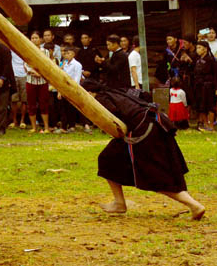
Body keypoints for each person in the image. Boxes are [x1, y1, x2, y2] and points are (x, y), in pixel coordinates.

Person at [84, 78, 205, 220]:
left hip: (145, 130)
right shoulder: (116, 91)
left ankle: (194, 205)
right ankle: (119, 202)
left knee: (156, 175)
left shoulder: (102, 98)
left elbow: (114, 116)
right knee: (108, 157)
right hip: (154, 124)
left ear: (90, 92)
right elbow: (144, 95)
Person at [24, 31, 52, 133]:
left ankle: (46, 127)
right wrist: (33, 72)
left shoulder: (46, 52)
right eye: (32, 38)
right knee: (31, 104)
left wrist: (40, 74)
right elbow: (26, 64)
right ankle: (33, 127)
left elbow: (47, 65)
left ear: (40, 39)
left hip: (42, 81)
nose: (34, 40)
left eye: (36, 38)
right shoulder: (27, 50)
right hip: (30, 81)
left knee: (43, 103)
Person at [54, 45, 85, 132]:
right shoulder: (63, 63)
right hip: (63, 88)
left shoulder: (77, 64)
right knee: (63, 108)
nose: (67, 55)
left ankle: (72, 126)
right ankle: (64, 127)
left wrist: (72, 90)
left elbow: (77, 79)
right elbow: (60, 76)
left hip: (72, 88)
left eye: (69, 53)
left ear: (73, 54)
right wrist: (60, 91)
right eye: (65, 53)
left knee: (71, 108)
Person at [192, 41, 217, 131]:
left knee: (210, 105)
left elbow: (215, 74)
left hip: (208, 85)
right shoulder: (197, 59)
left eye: (199, 48)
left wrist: (216, 87)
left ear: (205, 49)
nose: (197, 50)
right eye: (197, 48)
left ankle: (211, 125)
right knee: (201, 105)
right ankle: (204, 124)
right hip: (199, 85)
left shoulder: (210, 59)